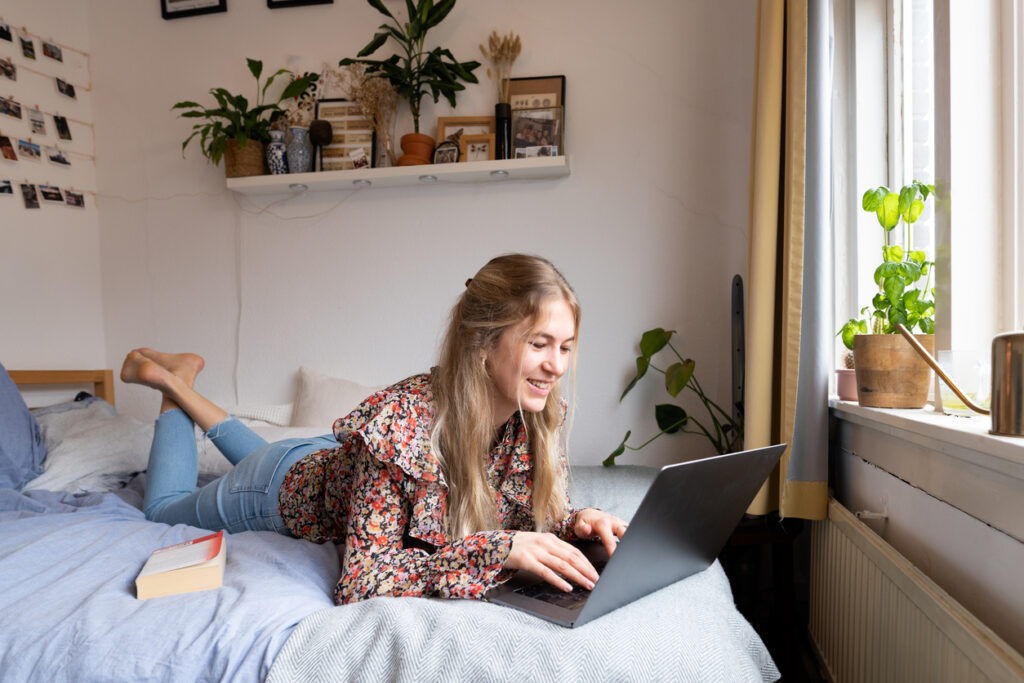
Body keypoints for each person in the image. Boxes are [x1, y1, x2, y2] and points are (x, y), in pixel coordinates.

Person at [121, 253, 627, 605]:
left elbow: (519, 511)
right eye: (540, 343)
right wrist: (496, 550)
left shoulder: (533, 415)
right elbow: (362, 579)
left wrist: (576, 522)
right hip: (276, 489)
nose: (557, 366)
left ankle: (184, 386)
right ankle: (174, 386)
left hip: (327, 462)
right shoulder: (406, 422)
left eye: (566, 346)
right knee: (162, 512)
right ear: (484, 343)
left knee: (266, 454)